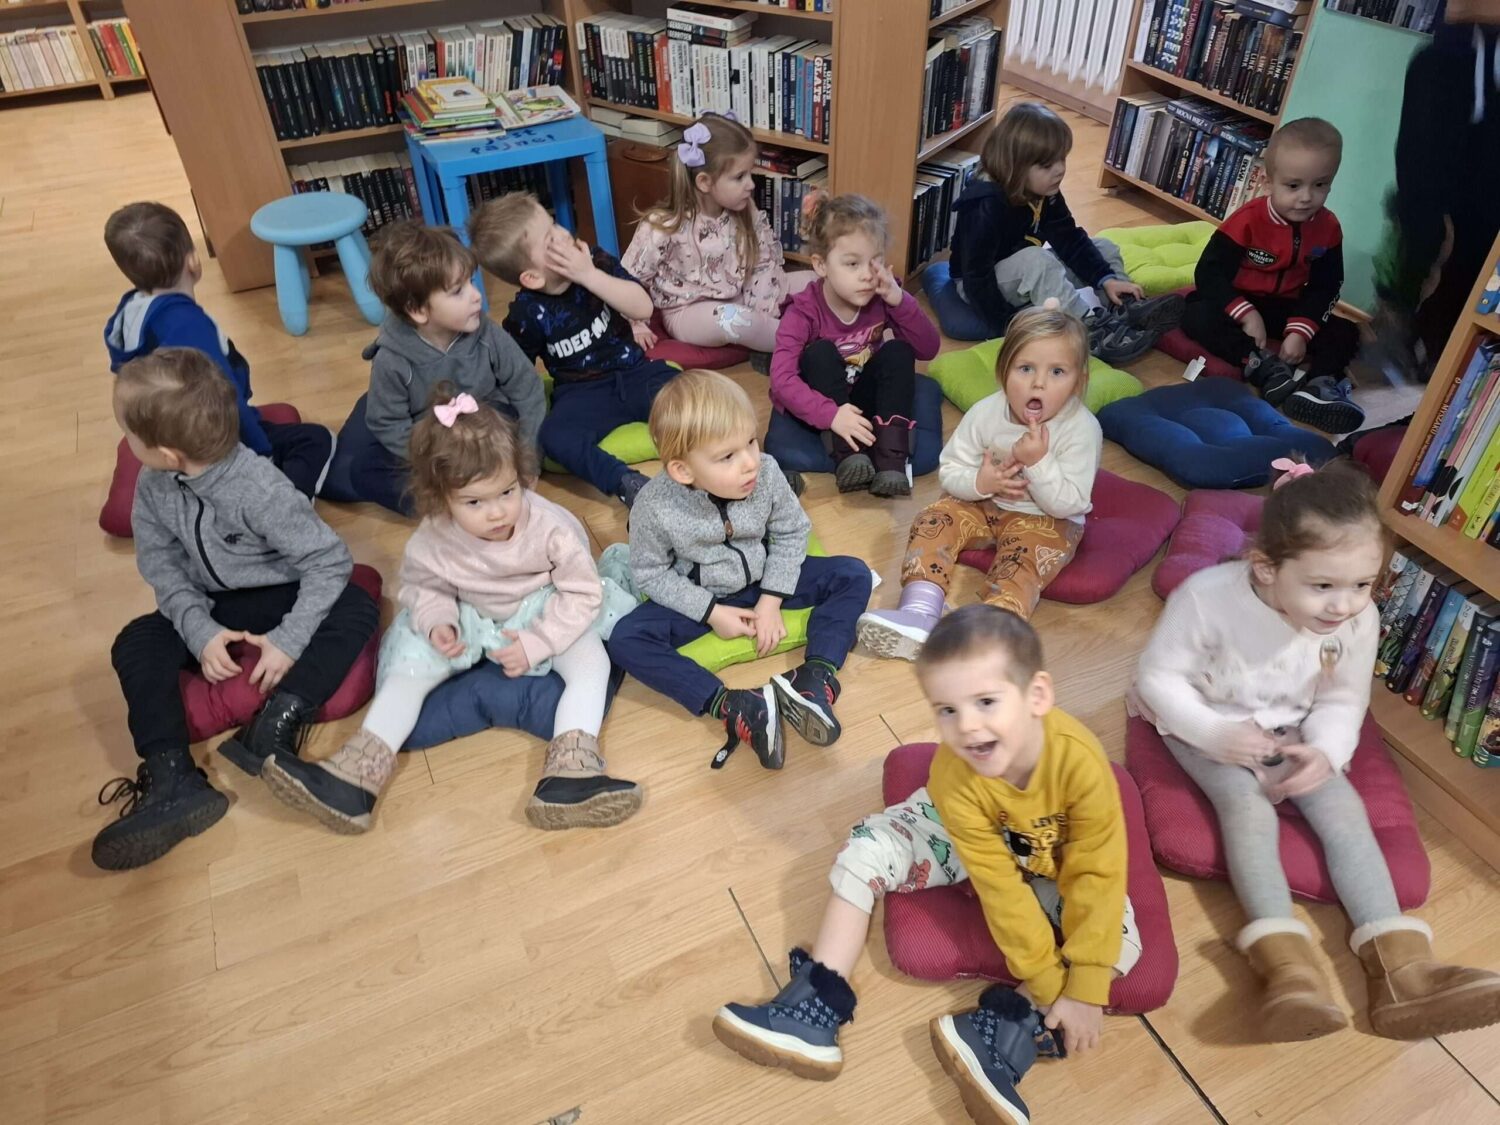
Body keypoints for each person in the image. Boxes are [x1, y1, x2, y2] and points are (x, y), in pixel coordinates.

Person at [714, 606, 1140, 1125]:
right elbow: (1002, 893)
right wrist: (1055, 986)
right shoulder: (956, 775)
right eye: (947, 710)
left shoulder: (1081, 765)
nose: (968, 727)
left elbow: (1098, 874)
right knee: (867, 847)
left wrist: (1085, 989)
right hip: (966, 830)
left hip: (1056, 860)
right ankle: (814, 1007)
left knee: (1119, 938)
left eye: (986, 702)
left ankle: (996, 1035)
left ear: (1037, 696)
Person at [1133, 458, 1500, 1041]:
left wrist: (1325, 751)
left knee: (1345, 811)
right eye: (1323, 586)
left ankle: (1403, 973)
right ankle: (1289, 972)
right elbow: (1158, 679)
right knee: (1247, 808)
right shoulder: (1206, 599)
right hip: (1206, 720)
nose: (1343, 605)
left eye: (1362, 584)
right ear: (1265, 569)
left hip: (1291, 725)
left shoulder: (1357, 620)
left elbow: (1342, 698)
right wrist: (1215, 734)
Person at [262, 389, 639, 834]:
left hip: (543, 605)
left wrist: (539, 642)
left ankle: (570, 771)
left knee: (592, 661)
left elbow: (581, 593)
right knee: (409, 663)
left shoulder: (552, 528)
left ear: (524, 478)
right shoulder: (435, 534)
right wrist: (437, 620)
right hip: (467, 611)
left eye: (507, 492)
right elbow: (424, 585)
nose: (497, 513)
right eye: (474, 502)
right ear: (441, 499)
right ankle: (357, 774)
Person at [92, 348, 378, 871]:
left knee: (357, 605)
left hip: (278, 593)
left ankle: (276, 721)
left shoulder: (259, 488)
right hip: (210, 603)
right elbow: (160, 565)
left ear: (167, 452)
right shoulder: (153, 488)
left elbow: (329, 561)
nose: (125, 444)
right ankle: (171, 775)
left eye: (129, 436)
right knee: (136, 640)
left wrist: (289, 640)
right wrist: (198, 629)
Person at [605, 370, 872, 769]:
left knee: (854, 573)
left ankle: (814, 679)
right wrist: (711, 613)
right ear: (683, 470)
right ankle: (734, 706)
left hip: (764, 578)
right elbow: (651, 573)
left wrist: (771, 600)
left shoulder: (766, 471)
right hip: (703, 595)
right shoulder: (654, 506)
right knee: (625, 638)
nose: (750, 463)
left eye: (750, 441)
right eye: (727, 457)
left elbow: (792, 531)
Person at [857, 307, 1100, 660]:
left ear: (1078, 381)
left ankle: (987, 635)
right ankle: (919, 611)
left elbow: (1069, 503)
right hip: (984, 503)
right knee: (933, 519)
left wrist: (1038, 462)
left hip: (1047, 519)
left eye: (1057, 372)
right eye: (1026, 368)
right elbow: (950, 470)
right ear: (1003, 372)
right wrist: (980, 483)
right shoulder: (986, 412)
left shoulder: (1082, 429)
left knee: (1022, 565)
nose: (1039, 383)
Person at [103, 201, 334, 497]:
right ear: (193, 262)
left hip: (171, 432)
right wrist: (261, 451)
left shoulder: (129, 311)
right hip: (213, 437)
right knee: (318, 440)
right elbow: (226, 396)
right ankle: (289, 506)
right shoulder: (189, 327)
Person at [470, 192, 675, 508]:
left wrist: (589, 276)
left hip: (636, 372)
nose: (564, 234)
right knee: (554, 436)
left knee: (694, 395)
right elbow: (515, 373)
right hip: (583, 394)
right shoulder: (526, 313)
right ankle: (625, 482)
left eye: (554, 225)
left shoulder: (596, 260)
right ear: (532, 277)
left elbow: (643, 308)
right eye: (550, 240)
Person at [947, 101, 1184, 363]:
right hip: (980, 283)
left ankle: (1123, 305)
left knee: (1103, 246)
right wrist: (1007, 324)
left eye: (1061, 159)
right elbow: (976, 276)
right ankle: (1088, 330)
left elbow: (1069, 237)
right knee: (1038, 260)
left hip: (1021, 268)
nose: (1059, 169)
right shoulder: (984, 204)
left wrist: (1104, 278)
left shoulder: (1044, 192)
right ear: (1015, 167)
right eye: (1047, 165)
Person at [1182, 117, 1365, 435]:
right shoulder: (1246, 222)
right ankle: (1261, 366)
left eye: (1320, 185)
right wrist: (1245, 313)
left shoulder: (1328, 227)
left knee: (1346, 331)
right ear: (1268, 183)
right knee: (1195, 313)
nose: (1306, 197)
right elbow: (1209, 274)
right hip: (1238, 302)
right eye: (1293, 186)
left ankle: (1319, 387)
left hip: (1285, 306)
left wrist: (1300, 331)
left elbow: (1326, 285)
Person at [351, 221, 546, 516]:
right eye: (458, 291)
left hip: (488, 429)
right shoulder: (391, 359)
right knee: (363, 470)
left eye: (471, 282)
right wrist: (436, 458)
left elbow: (527, 389)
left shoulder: (486, 333)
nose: (476, 295)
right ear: (418, 310)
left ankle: (476, 497)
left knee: (521, 424)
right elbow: (386, 423)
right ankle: (455, 505)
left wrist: (529, 458)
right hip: (433, 447)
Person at [768, 192, 941, 497]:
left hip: (864, 395)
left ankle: (891, 459)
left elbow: (928, 348)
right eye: (852, 264)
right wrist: (832, 416)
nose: (866, 276)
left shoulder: (883, 297)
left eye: (875, 262)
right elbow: (781, 381)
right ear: (821, 265)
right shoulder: (803, 311)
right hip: (825, 399)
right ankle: (848, 455)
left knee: (899, 351)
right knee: (820, 353)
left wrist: (900, 301)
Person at [620, 112, 815, 358]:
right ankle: (800, 345)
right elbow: (628, 278)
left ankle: (827, 327)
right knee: (738, 321)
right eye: (739, 177)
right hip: (689, 311)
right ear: (704, 182)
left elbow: (764, 260)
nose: (751, 184)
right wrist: (635, 323)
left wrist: (765, 306)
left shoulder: (744, 208)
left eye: (750, 173)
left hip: (741, 292)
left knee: (815, 279)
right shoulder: (663, 227)